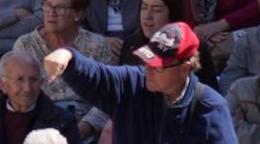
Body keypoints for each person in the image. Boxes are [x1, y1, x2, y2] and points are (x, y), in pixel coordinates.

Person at [40, 23, 236, 144]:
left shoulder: (211, 107)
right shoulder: (131, 84)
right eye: (147, 61)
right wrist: (68, 57)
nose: (148, 70)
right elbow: (97, 76)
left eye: (157, 66)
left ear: (185, 68)